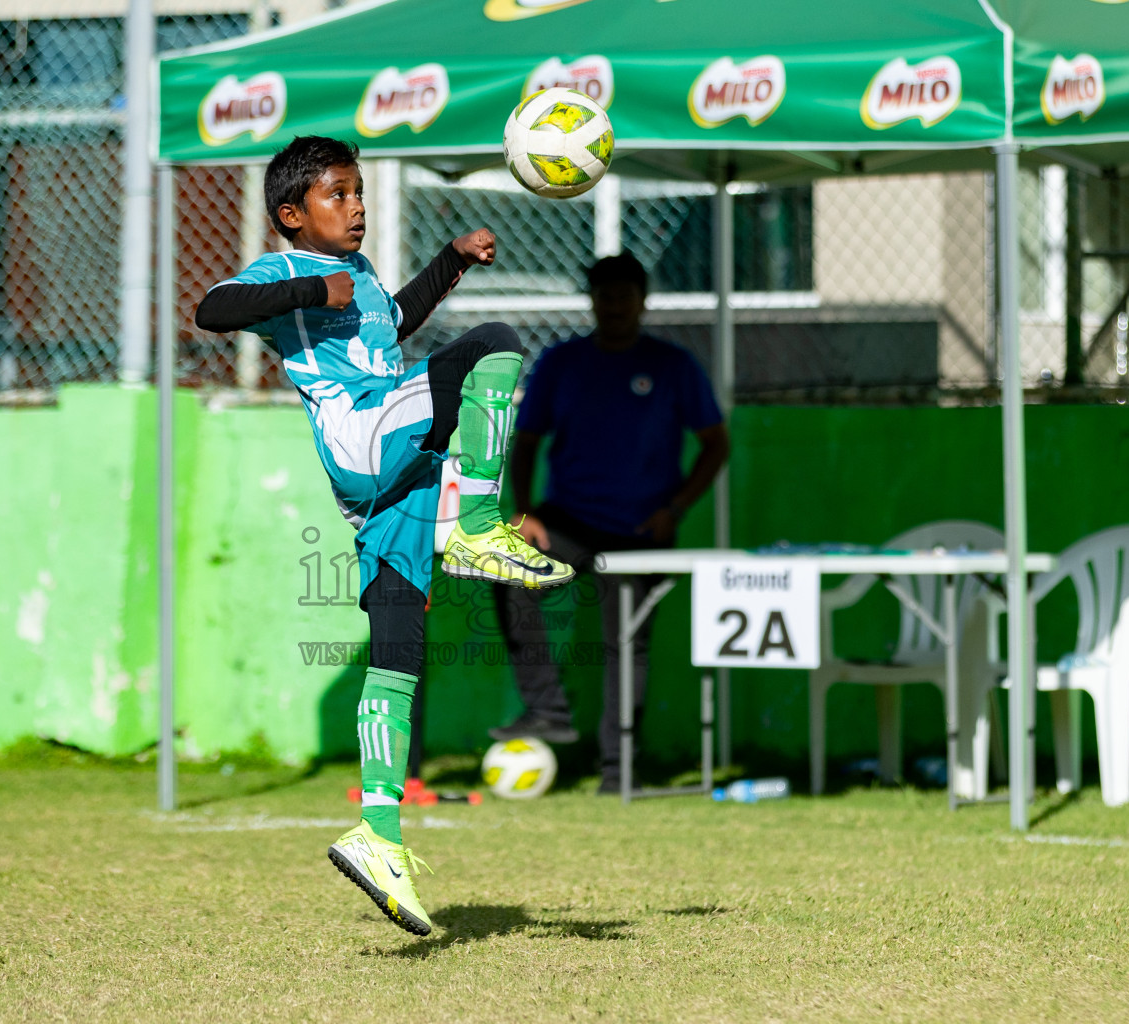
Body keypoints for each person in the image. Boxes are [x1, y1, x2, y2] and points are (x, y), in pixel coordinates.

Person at [193, 136, 574, 937]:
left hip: (388, 475)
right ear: (292, 215)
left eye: (359, 193)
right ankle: (477, 525)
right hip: (363, 435)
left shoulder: (361, 277)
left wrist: (451, 259)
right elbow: (212, 308)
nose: (357, 206)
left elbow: (394, 321)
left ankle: (378, 836)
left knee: (397, 646)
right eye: (338, 195)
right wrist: (311, 286)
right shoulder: (283, 270)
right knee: (495, 345)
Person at [491, 251, 729, 794]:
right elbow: (526, 442)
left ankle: (618, 773)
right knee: (507, 573)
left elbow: (716, 445)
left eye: (625, 295)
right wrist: (524, 512)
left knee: (628, 646)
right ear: (592, 302)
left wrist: (675, 509)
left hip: (642, 530)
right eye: (605, 295)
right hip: (568, 520)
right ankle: (547, 709)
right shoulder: (560, 363)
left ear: (643, 301)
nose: (615, 305)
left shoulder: (673, 367)